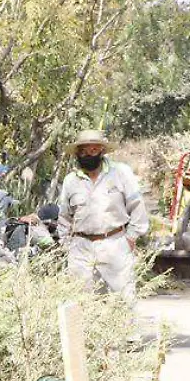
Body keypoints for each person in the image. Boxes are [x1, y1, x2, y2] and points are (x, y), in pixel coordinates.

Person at [54, 129, 148, 302]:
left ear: (102, 151)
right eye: (83, 151)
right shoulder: (70, 180)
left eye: (93, 150)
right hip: (80, 248)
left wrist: (130, 238)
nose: (87, 155)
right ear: (77, 153)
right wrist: (67, 245)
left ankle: (124, 329)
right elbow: (64, 217)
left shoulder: (121, 173)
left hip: (115, 244)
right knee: (81, 302)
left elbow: (137, 207)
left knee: (123, 300)